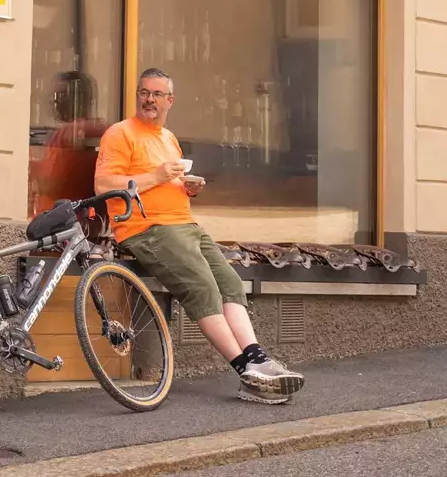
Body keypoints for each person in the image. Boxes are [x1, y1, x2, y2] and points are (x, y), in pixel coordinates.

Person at [93, 67, 305, 405]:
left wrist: (187, 187)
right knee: (203, 289)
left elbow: (167, 182)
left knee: (230, 284)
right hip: (147, 229)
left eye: (157, 94)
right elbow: (103, 186)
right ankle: (247, 374)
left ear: (170, 100)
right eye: (144, 93)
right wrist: (157, 175)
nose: (149, 99)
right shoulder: (120, 134)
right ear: (137, 96)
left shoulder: (168, 138)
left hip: (186, 226)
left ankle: (257, 358)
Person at [32, 71, 107, 215]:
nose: (56, 102)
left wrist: (31, 167)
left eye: (60, 96)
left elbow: (51, 183)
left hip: (61, 219)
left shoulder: (70, 132)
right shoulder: (100, 130)